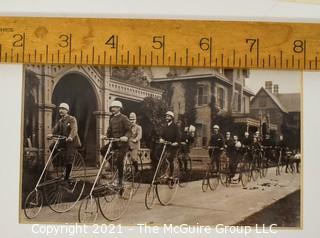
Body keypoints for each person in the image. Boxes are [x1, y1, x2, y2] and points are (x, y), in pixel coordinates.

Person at [47, 102, 81, 182]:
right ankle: (59, 164)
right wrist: (51, 134)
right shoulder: (60, 121)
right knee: (52, 146)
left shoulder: (72, 119)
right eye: (60, 109)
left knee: (69, 157)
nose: (61, 110)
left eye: (63, 109)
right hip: (63, 141)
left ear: (67, 110)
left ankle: (67, 177)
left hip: (71, 142)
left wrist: (70, 136)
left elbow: (74, 129)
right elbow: (55, 129)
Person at [100, 100, 131, 187]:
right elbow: (109, 131)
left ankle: (120, 180)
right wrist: (105, 136)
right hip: (114, 143)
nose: (112, 109)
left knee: (120, 159)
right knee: (102, 150)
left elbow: (129, 130)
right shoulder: (112, 119)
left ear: (119, 108)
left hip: (123, 144)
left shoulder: (124, 118)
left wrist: (126, 137)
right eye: (112, 107)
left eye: (115, 107)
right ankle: (114, 166)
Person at [159, 111, 180, 179]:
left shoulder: (175, 126)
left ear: (172, 117)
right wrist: (161, 139)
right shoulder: (165, 126)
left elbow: (178, 137)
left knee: (170, 158)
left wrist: (175, 143)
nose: (167, 118)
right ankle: (165, 173)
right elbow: (162, 135)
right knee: (163, 158)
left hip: (174, 146)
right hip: (167, 146)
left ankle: (171, 175)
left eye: (168, 116)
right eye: (166, 116)